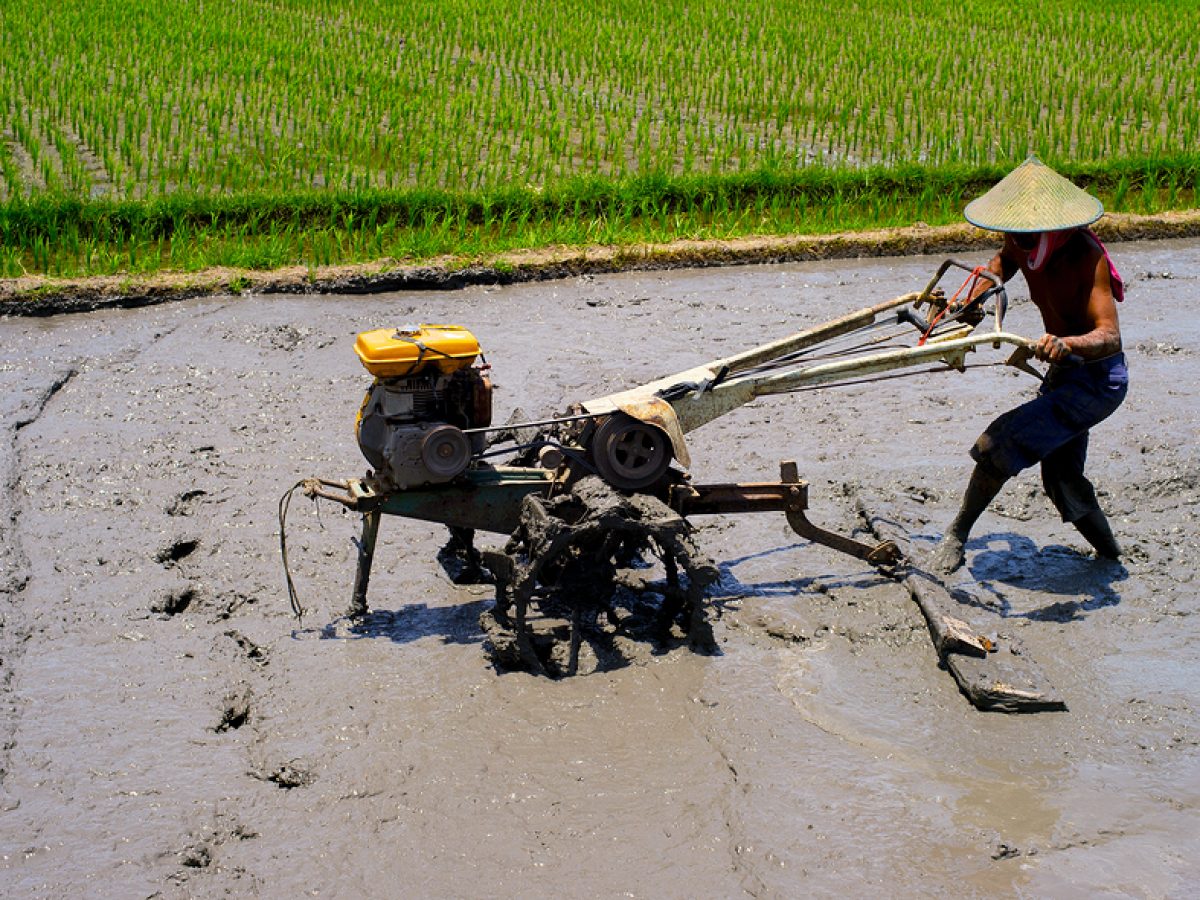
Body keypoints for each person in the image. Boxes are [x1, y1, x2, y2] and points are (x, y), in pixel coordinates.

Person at [931, 155, 1128, 573]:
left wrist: (1065, 342)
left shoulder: (1084, 256)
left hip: (1097, 380)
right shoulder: (1022, 241)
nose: (1013, 239)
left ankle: (956, 534)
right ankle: (1112, 557)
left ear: (1051, 226)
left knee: (998, 443)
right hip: (1064, 375)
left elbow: (1109, 335)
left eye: (1021, 233)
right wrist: (973, 297)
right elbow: (1000, 265)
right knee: (1061, 477)